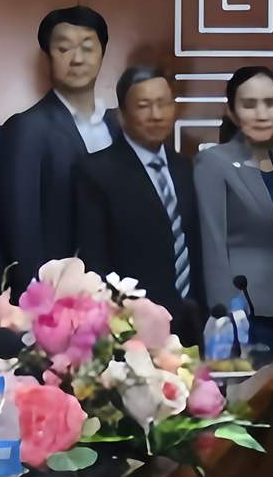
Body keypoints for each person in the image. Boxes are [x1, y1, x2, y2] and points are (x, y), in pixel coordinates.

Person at [73, 66, 207, 332]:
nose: (156, 115)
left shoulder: (187, 168)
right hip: (134, 326)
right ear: (122, 114)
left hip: (193, 323)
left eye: (163, 104)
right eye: (144, 106)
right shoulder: (96, 172)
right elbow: (96, 261)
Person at [0, 5, 114, 294]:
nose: (77, 58)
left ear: (102, 53)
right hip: (61, 298)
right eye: (63, 48)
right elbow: (22, 229)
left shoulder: (119, 127)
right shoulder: (27, 128)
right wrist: (39, 301)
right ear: (48, 55)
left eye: (87, 47)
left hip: (124, 293)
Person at [193, 64, 273, 358]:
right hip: (249, 315)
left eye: (270, 102)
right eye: (249, 104)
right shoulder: (213, 163)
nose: (262, 113)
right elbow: (212, 248)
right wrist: (223, 317)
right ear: (231, 111)